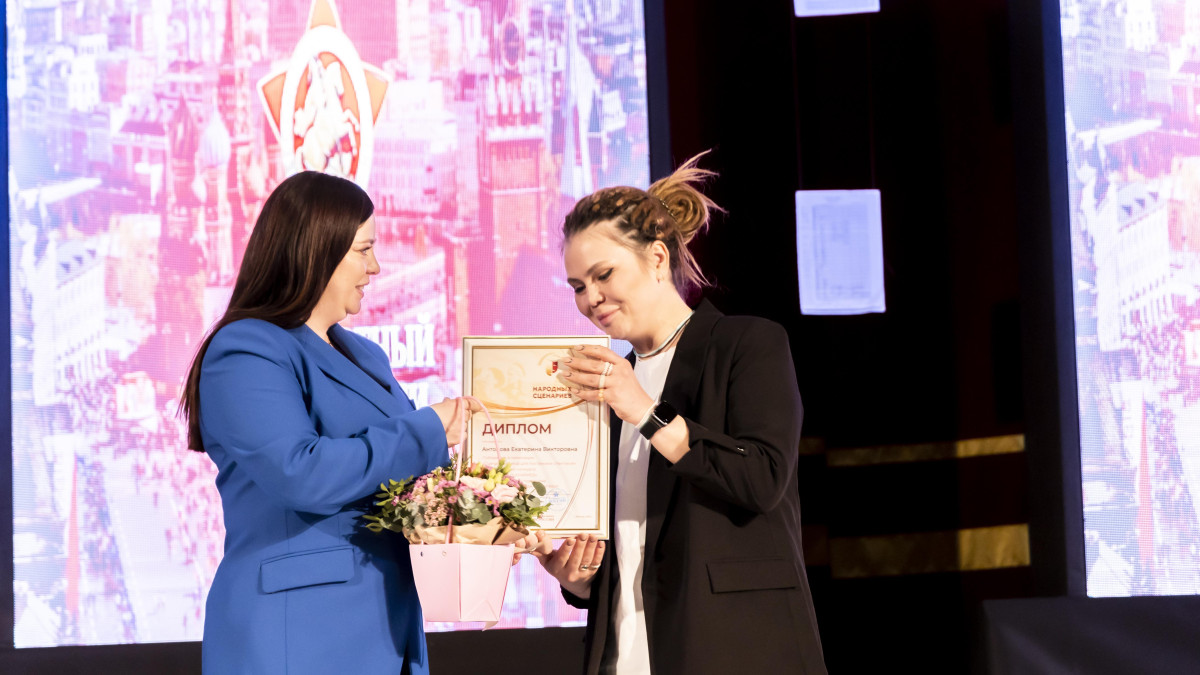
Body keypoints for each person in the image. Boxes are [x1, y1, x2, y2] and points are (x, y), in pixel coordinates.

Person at [531, 154, 827, 674]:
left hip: (735, 650)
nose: (591, 298)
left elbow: (761, 479)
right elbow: (634, 547)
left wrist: (646, 411)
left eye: (603, 275)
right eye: (577, 286)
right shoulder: (606, 387)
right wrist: (580, 580)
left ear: (657, 258)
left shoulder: (746, 344)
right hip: (627, 653)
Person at [180, 171, 467, 674]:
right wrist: (428, 429)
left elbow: (400, 486)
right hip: (300, 633)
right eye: (363, 250)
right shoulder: (246, 347)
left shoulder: (367, 354)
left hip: (386, 626)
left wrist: (478, 530)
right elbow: (299, 472)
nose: (375, 266)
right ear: (316, 251)